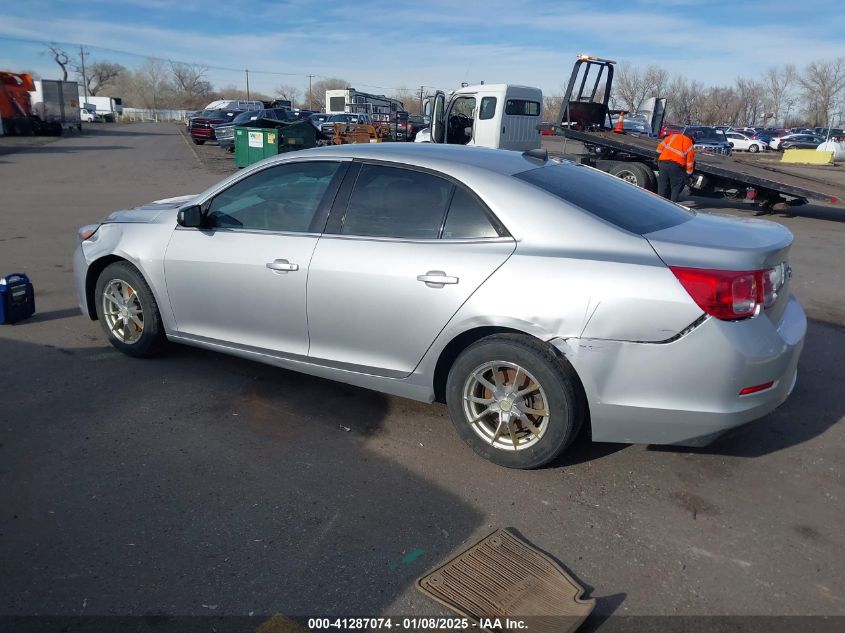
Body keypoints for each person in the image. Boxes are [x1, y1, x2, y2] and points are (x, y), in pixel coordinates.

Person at [656, 131, 695, 202]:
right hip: (676, 166)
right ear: (692, 139)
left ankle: (659, 204)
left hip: (663, 164)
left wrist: (658, 158)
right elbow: (690, 162)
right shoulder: (689, 144)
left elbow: (659, 149)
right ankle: (672, 205)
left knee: (662, 186)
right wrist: (688, 174)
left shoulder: (673, 136)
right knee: (676, 186)